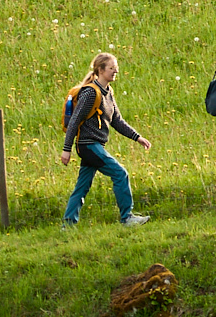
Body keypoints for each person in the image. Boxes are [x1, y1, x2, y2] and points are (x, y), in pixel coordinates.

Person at [62, 52, 152, 227]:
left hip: (95, 146)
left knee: (82, 186)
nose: (116, 71)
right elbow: (74, 121)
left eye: (116, 67)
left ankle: (68, 224)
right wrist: (67, 149)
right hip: (88, 146)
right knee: (120, 173)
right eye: (112, 68)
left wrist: (138, 138)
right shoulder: (90, 93)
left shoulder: (108, 92)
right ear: (101, 70)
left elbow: (117, 120)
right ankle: (127, 218)